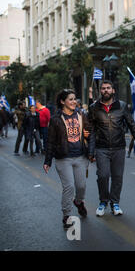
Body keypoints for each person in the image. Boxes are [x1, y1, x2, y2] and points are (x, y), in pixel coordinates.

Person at [88, 80, 135, 217]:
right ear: (100, 91)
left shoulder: (122, 106)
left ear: (113, 90)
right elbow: (92, 131)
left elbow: (132, 124)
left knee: (117, 177)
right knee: (103, 176)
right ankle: (103, 202)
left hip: (119, 147)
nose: (106, 90)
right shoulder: (94, 107)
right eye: (103, 88)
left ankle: (115, 203)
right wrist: (91, 151)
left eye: (108, 88)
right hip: (102, 148)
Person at [43, 89, 92, 228]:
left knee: (81, 186)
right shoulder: (55, 119)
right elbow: (50, 141)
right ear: (62, 101)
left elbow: (90, 132)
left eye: (75, 99)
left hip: (80, 156)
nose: (74, 101)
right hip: (63, 158)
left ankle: (78, 201)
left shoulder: (82, 115)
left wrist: (89, 143)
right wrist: (47, 160)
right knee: (69, 186)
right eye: (70, 99)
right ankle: (67, 215)